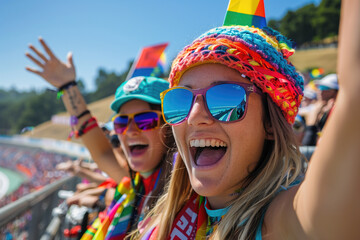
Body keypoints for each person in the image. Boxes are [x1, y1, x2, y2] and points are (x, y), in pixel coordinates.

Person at [133, 1, 360, 239]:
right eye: (180, 100)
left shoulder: (283, 220)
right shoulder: (164, 219)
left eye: (226, 99)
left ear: (270, 124)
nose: (194, 116)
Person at [25, 40, 176, 239]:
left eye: (145, 120)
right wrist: (67, 86)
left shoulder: (184, 188)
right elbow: (101, 151)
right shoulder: (135, 182)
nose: (129, 131)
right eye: (121, 122)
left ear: (171, 128)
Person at [301, 73, 339, 146]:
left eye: (325, 88)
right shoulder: (318, 107)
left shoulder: (337, 110)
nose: (320, 91)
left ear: (336, 92)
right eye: (319, 87)